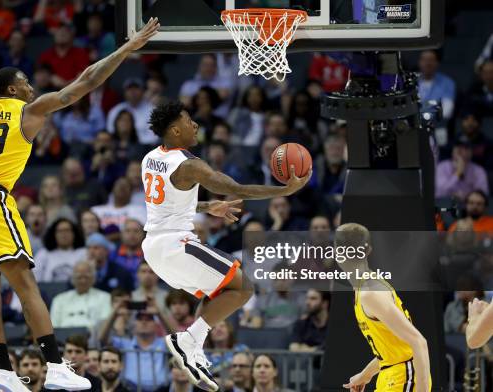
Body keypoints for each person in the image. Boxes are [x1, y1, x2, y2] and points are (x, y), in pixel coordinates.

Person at [0, 18, 160, 392]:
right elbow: (86, 82)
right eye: (25, 81)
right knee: (26, 287)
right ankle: (55, 366)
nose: (31, 86)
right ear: (12, 88)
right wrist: (126, 48)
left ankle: (4, 375)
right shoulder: (28, 110)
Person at [142, 101, 311, 391]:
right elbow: (236, 189)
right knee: (244, 287)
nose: (195, 125)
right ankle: (188, 340)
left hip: (156, 249)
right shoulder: (189, 164)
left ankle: (193, 348)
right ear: (175, 129)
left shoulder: (150, 158)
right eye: (189, 120)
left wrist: (209, 206)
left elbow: (169, 203)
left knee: (222, 292)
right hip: (175, 245)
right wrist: (285, 190)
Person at [336, 223, 430, 392]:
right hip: (392, 374)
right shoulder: (364, 288)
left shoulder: (370, 293)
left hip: (404, 376)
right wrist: (364, 375)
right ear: (368, 250)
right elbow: (394, 350)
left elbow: (419, 342)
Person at [50, 260, 111, 329]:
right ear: (72, 279)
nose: (83, 281)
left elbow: (104, 325)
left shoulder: (105, 297)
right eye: (79, 277)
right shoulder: (59, 299)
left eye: (86, 277)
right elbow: (54, 327)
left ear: (93, 279)